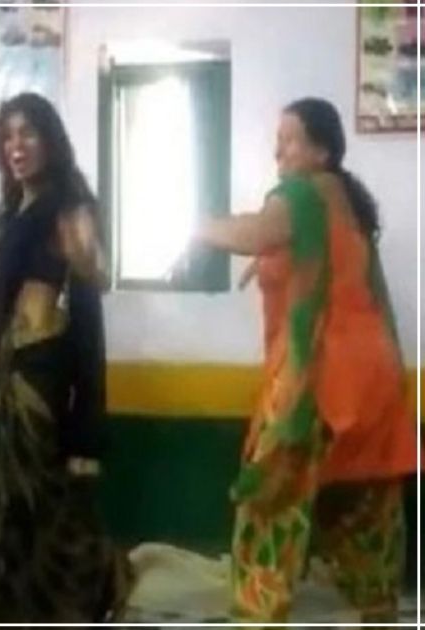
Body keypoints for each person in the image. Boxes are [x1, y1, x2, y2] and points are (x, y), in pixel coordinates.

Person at [189, 97, 416, 624]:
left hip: (319, 375)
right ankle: (378, 607)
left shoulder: (301, 193)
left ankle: (259, 609)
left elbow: (253, 234)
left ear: (321, 151)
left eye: (289, 140)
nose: (279, 152)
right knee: (365, 500)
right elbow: (321, 264)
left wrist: (194, 225)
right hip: (375, 376)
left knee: (270, 498)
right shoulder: (347, 204)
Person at [0, 92, 131, 622]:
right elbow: (6, 305)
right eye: (8, 136)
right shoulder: (15, 208)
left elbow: (94, 277)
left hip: (39, 379)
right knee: (17, 515)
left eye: (27, 133)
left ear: (49, 140)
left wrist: (87, 262)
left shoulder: (68, 202)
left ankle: (85, 589)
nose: (16, 145)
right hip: (9, 373)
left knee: (3, 510)